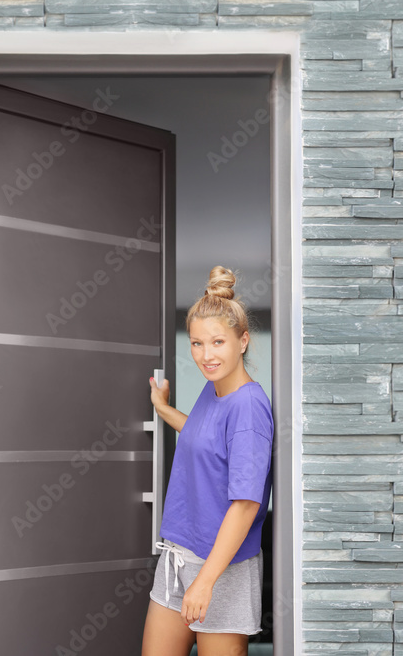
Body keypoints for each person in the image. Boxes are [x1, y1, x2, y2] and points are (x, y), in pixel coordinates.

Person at [140, 265, 274, 656]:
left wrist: (206, 581)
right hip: (180, 554)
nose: (205, 355)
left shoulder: (248, 407)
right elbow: (204, 439)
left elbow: (247, 503)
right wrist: (163, 409)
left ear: (243, 340)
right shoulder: (213, 390)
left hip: (222, 567)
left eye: (217, 342)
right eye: (197, 344)